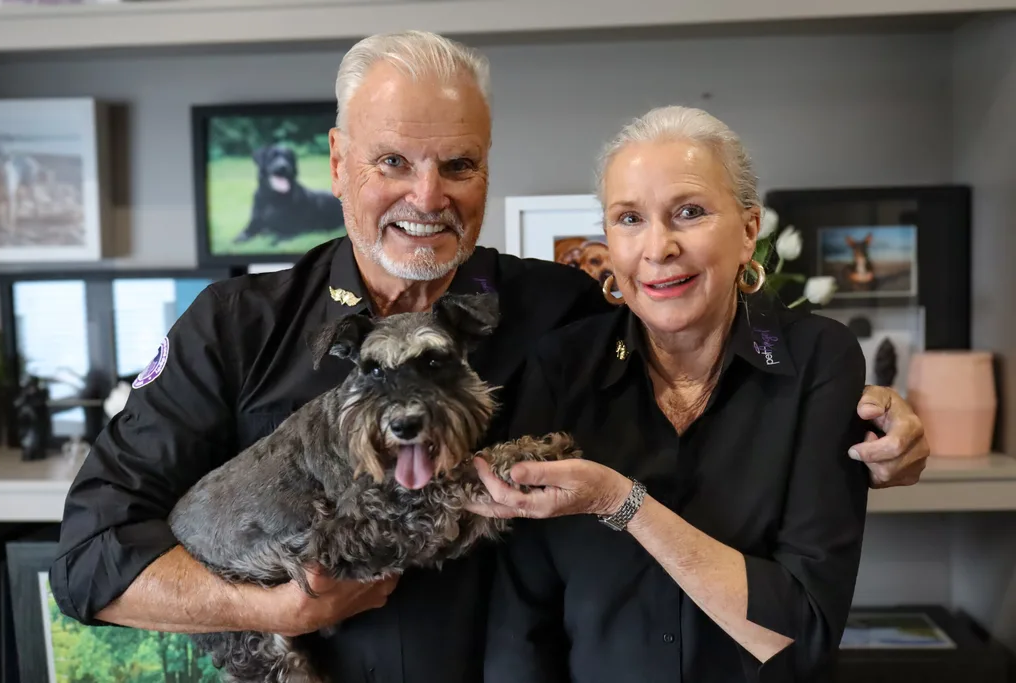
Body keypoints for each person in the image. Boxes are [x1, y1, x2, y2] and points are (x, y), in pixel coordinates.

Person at [49, 31, 929, 683]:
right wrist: (276, 608)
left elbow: (700, 347)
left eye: (458, 164)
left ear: (487, 167)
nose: (426, 197)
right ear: (339, 162)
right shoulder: (236, 324)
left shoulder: (559, 309)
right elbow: (90, 561)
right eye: (393, 160)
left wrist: (867, 419)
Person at [469, 105, 878, 683]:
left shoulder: (819, 360)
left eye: (689, 213)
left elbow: (800, 635)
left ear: (748, 230)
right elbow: (522, 616)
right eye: (629, 219)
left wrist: (621, 502)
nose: (657, 248)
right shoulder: (562, 366)